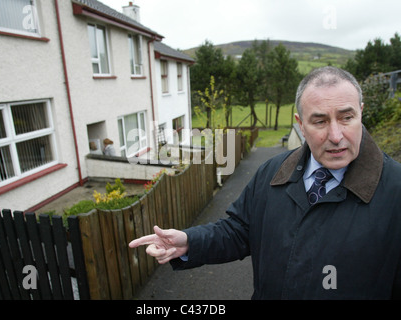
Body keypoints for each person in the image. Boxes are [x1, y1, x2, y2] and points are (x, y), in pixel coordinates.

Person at [129, 66, 401, 299]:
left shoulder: (395, 190)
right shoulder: (273, 171)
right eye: (319, 121)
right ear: (300, 125)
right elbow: (239, 230)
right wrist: (190, 242)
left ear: (361, 113)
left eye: (346, 117)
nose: (336, 135)